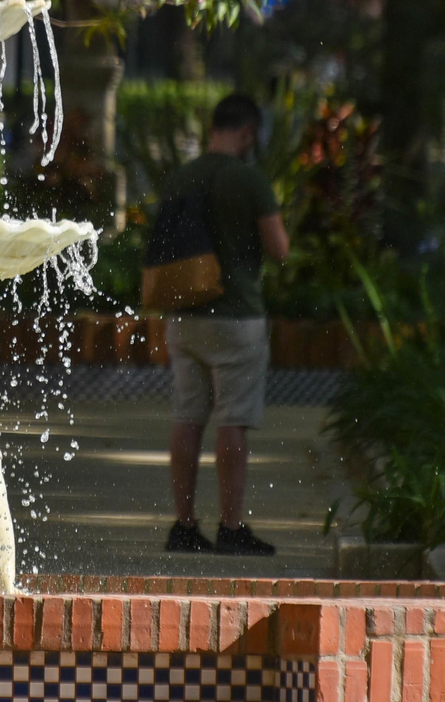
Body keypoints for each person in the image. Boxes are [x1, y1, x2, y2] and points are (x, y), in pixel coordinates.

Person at [158, 93, 290, 556]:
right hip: (236, 319)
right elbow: (280, 248)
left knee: (187, 417)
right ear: (248, 132)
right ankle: (231, 528)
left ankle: (184, 525)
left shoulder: (180, 177)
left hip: (184, 315)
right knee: (232, 421)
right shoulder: (249, 180)